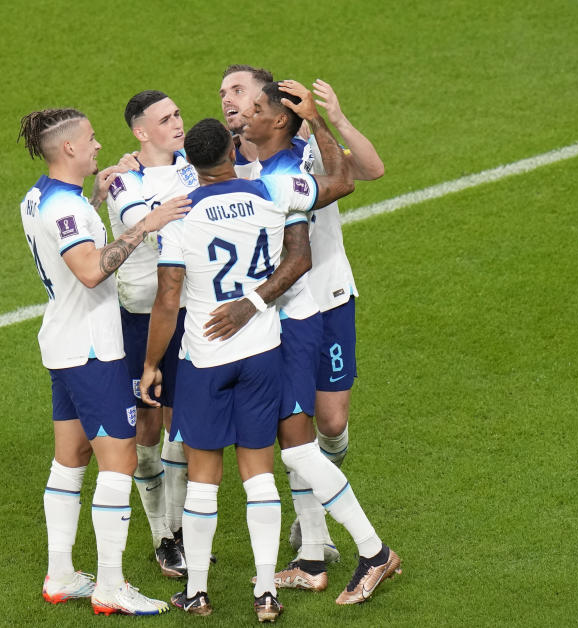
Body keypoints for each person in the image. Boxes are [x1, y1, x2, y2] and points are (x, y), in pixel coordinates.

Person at [138, 87, 354, 620]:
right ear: (233, 153)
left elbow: (168, 298)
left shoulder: (181, 218)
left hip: (205, 358)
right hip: (262, 350)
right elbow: (342, 182)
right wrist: (319, 124)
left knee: (205, 474)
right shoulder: (269, 192)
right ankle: (265, 591)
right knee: (259, 473)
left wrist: (149, 364)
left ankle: (198, 590)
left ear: (192, 161)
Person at [208, 79, 402, 604]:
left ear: (272, 112)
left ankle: (368, 551)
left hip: (310, 304)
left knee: (318, 431)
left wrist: (328, 118)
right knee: (295, 437)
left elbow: (358, 176)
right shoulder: (225, 161)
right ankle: (314, 554)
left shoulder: (292, 162)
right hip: (281, 317)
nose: (233, 102)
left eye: (244, 94)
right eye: (225, 93)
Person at [17, 107, 189, 616]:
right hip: (93, 349)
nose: (97, 147)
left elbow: (73, 229)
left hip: (62, 343)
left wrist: (95, 202)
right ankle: (111, 585)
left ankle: (61, 574)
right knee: (121, 462)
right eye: (90, 140)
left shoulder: (39, 197)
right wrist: (147, 225)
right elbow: (92, 271)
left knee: (70, 460)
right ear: (67, 148)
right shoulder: (63, 211)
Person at [105, 90, 198, 578]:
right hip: (141, 317)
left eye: (179, 114)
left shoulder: (192, 162)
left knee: (182, 426)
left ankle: (174, 532)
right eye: (165, 119)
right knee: (146, 427)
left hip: (191, 313)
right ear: (141, 132)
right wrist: (163, 212)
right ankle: (159, 531)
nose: (178, 123)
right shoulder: (126, 181)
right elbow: (139, 224)